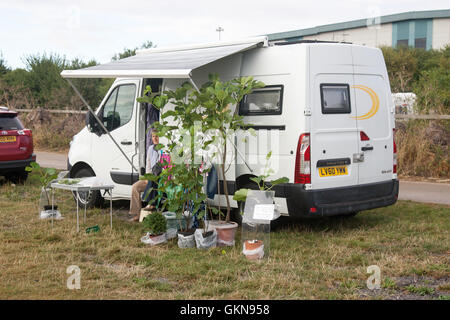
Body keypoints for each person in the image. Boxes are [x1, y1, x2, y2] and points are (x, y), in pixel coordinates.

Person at [128, 130, 160, 222]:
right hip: (151, 177)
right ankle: (136, 215)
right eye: (153, 136)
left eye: (157, 136)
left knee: (153, 180)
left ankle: (151, 204)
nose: (155, 138)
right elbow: (148, 165)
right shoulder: (150, 149)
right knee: (135, 187)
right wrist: (146, 177)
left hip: (160, 179)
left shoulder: (163, 149)